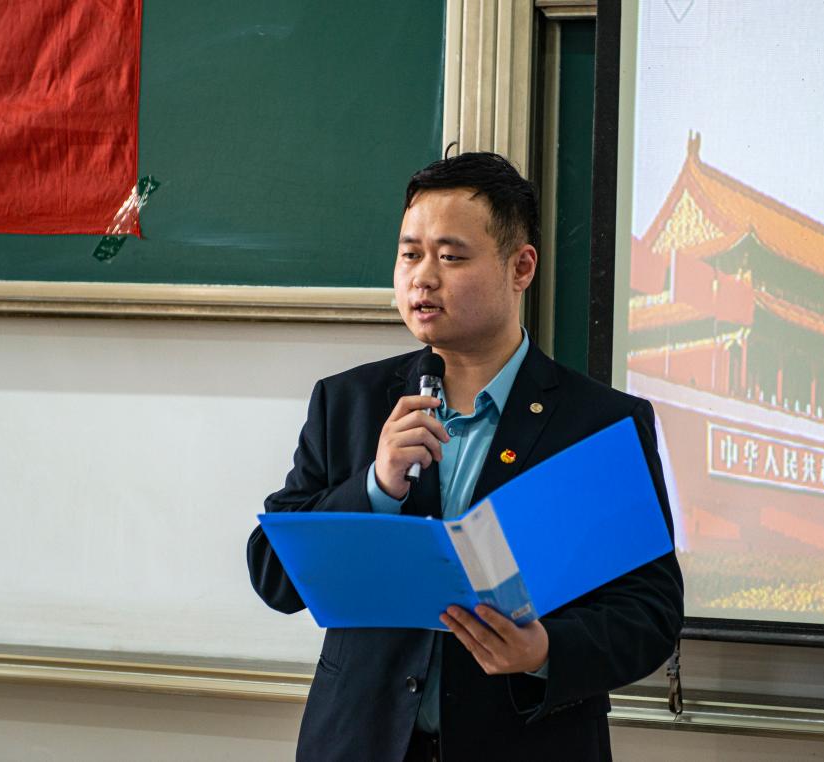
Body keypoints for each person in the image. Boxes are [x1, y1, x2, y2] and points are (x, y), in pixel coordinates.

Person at [246, 152, 684, 762]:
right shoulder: (347, 402)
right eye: (410, 254)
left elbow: (651, 612)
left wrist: (545, 650)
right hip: (362, 742)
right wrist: (375, 488)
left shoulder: (599, 423)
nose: (423, 278)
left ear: (520, 267)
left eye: (450, 257)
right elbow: (274, 574)